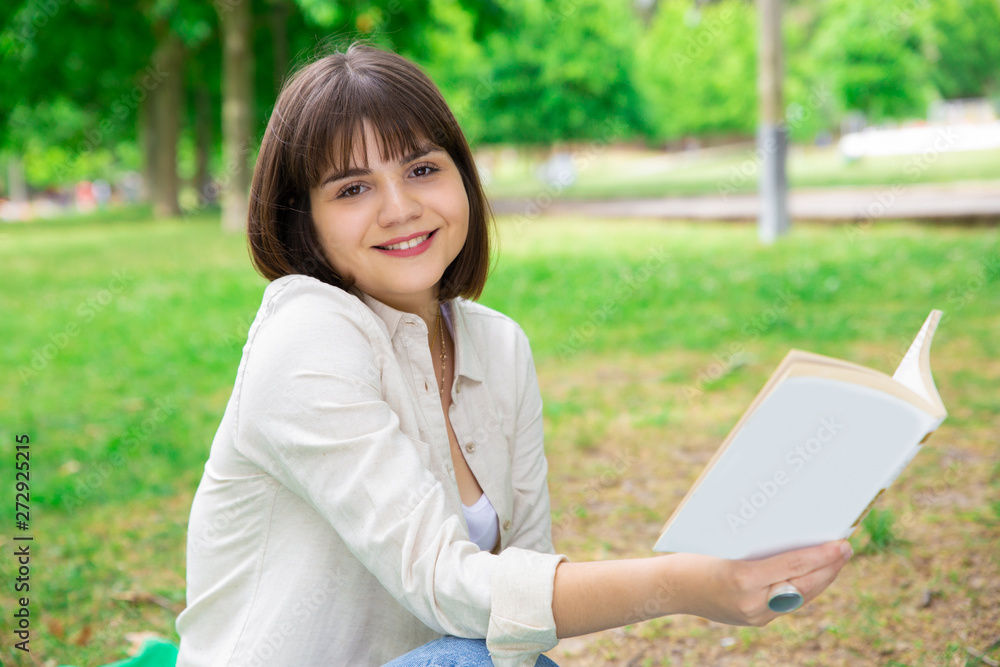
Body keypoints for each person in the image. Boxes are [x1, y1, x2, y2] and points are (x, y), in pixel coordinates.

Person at [175, 42, 851, 667]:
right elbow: (449, 586)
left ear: (462, 179)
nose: (400, 207)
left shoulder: (497, 346)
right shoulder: (306, 341)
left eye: (422, 169)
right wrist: (683, 581)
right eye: (352, 188)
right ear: (305, 222)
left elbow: (522, 594)